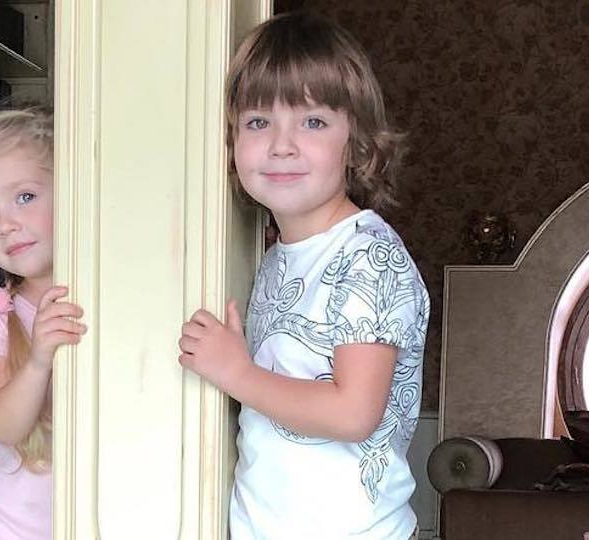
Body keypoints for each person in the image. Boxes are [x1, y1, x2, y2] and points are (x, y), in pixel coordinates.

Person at [177, 12, 430, 539]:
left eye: (312, 122)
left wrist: (235, 372)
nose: (281, 144)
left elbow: (353, 413)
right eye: (258, 122)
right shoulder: (278, 256)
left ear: (356, 142)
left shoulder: (369, 256)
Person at [0, 106, 86, 540]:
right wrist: (39, 359)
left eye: (24, 197)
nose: (5, 224)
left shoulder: (114, 298)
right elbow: (3, 425)